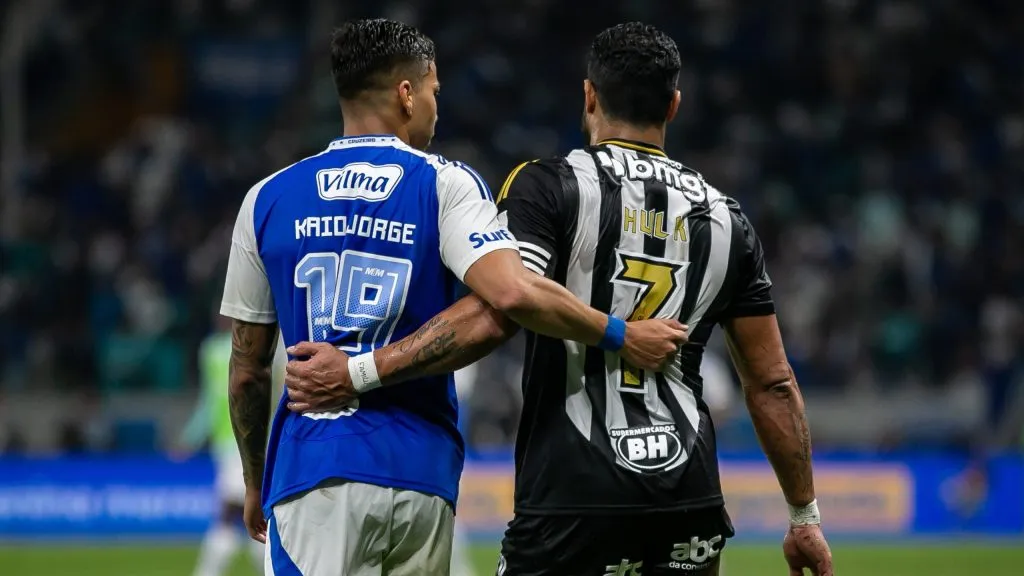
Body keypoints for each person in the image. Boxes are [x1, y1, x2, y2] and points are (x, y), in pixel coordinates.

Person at [284, 22, 834, 576]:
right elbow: (772, 382)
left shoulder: (547, 186)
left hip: (572, 494)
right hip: (687, 497)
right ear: (674, 105)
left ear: (589, 96)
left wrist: (359, 370)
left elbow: (500, 307)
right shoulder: (727, 218)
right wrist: (804, 515)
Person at [219, 18, 686, 576]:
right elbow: (507, 297)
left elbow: (247, 372)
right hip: (423, 477)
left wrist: (255, 480)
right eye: (434, 92)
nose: (436, 108)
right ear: (406, 94)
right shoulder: (445, 183)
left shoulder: (267, 198)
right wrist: (619, 332)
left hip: (315, 470)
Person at [176, 314, 286, 576]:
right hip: (247, 440)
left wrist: (191, 438)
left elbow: (208, 401)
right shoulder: (263, 346)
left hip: (241, 442)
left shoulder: (211, 350)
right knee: (247, 511)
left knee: (236, 512)